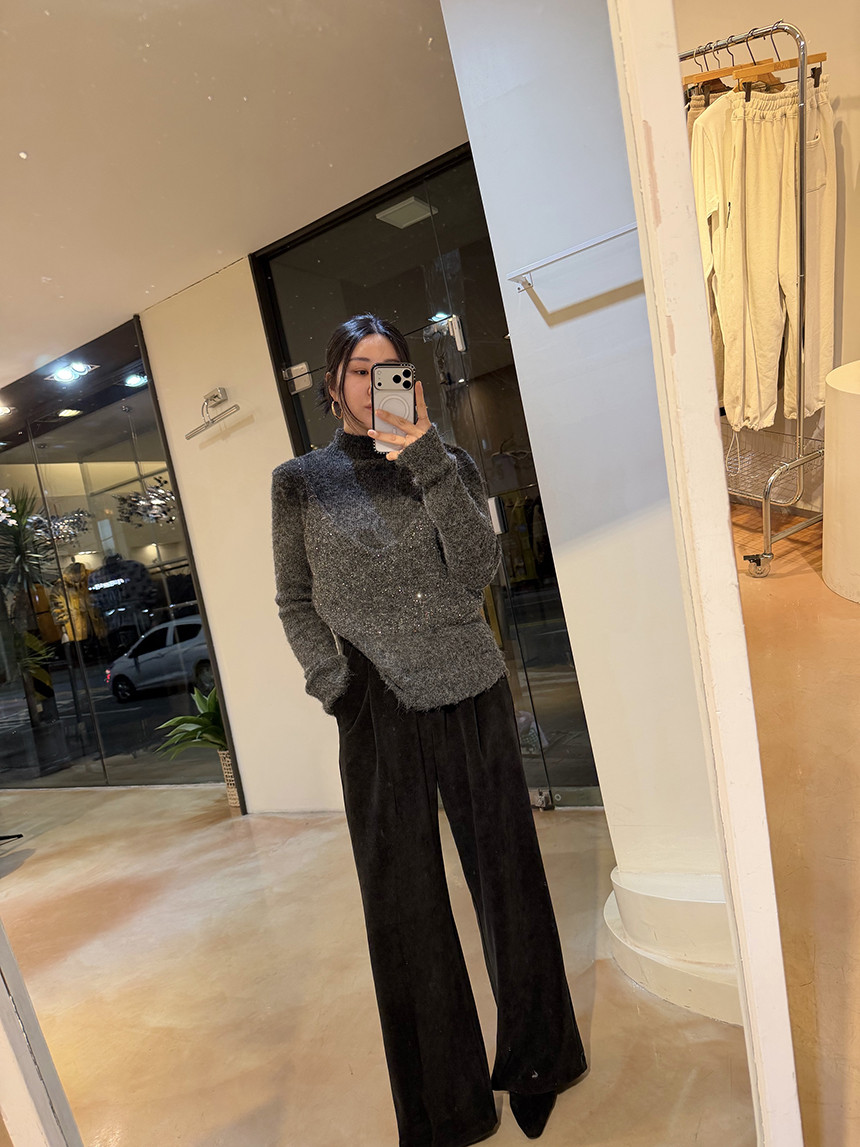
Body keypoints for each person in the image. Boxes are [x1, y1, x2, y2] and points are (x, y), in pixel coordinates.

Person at [271, 314, 586, 1146]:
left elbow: (480, 568)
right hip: (372, 703)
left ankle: (538, 1060)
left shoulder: (446, 461)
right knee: (402, 903)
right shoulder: (298, 482)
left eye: (393, 369)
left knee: (509, 880)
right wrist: (333, 682)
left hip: (470, 686)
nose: (377, 384)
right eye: (361, 370)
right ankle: (445, 1106)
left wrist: (428, 462)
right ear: (332, 384)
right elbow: (294, 599)